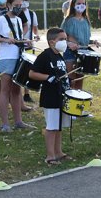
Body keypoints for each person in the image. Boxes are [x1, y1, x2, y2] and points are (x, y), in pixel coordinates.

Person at [0, 0, 34, 132]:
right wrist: (5, 40)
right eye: (16, 5)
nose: (19, 8)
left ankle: (18, 121)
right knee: (5, 90)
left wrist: (26, 42)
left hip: (19, 57)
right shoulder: (1, 20)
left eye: (20, 5)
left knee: (16, 90)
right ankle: (5, 124)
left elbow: (17, 38)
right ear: (8, 5)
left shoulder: (19, 21)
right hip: (6, 58)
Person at [29, 28, 72, 165]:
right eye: (61, 39)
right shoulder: (45, 56)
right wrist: (48, 77)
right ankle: (50, 155)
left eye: (65, 39)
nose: (64, 42)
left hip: (61, 95)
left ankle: (58, 152)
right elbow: (32, 73)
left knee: (59, 127)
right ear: (51, 42)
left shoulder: (59, 55)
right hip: (50, 96)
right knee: (52, 127)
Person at [61, 0, 100, 92]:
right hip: (70, 53)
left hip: (83, 53)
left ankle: (77, 104)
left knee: (79, 80)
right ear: (73, 5)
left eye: (83, 3)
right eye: (79, 3)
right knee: (71, 81)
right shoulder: (68, 20)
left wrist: (93, 41)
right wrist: (69, 43)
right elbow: (61, 38)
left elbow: (84, 39)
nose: (81, 5)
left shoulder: (86, 20)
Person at [19, 0, 39, 106]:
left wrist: (36, 36)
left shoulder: (32, 14)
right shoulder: (15, 13)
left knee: (28, 69)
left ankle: (26, 93)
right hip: (18, 44)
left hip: (29, 45)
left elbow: (34, 28)